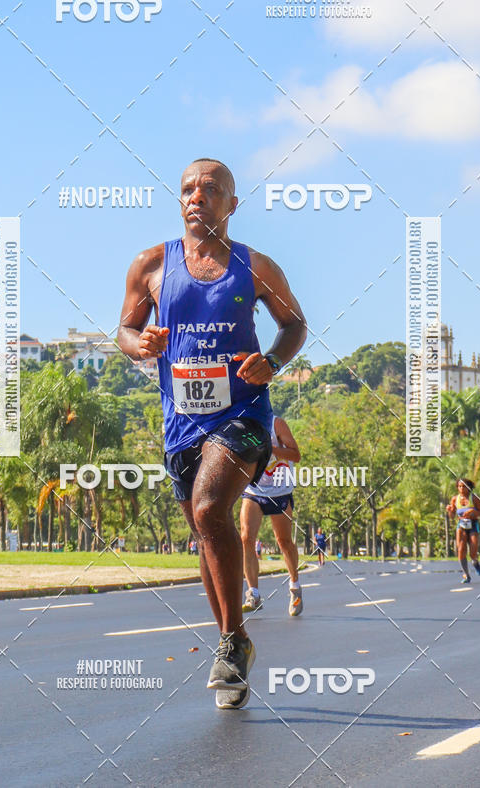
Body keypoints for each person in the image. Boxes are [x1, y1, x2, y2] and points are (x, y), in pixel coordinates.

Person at [118, 158, 306, 709]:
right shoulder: (152, 265)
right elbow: (126, 328)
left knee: (207, 510)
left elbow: (294, 323)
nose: (196, 197)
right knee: (207, 536)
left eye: (210, 189)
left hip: (244, 414)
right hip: (181, 422)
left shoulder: (255, 267)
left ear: (231, 204)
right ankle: (236, 641)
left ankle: (228, 646)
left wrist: (271, 361)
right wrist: (140, 345)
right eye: (187, 190)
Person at [240, 415, 302, 616]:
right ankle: (253, 593)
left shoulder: (277, 424)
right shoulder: (242, 423)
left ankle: (295, 586)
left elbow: (296, 455)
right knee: (246, 538)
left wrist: (270, 449)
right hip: (254, 490)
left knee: (283, 541)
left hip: (279, 491)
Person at [446, 478, 480, 583]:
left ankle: (475, 563)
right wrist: (450, 511)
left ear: (469, 487)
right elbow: (452, 515)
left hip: (473, 525)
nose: (462, 488)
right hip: (461, 526)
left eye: (464, 486)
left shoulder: (474, 498)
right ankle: (466, 575)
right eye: (459, 486)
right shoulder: (455, 499)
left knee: (472, 552)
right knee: (461, 550)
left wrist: (473, 511)